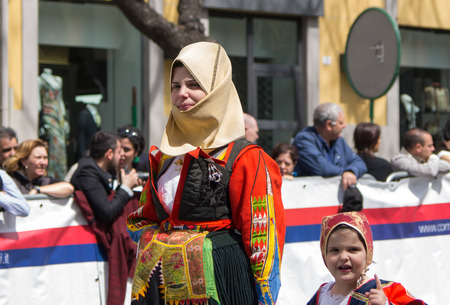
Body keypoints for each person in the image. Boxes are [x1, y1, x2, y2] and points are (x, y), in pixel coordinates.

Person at [126, 42, 286, 305]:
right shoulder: (166, 155)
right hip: (163, 286)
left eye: (193, 85)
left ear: (217, 91)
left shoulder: (246, 158)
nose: (182, 94)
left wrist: (265, 297)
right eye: (175, 86)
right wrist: (157, 242)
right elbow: (144, 217)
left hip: (223, 283)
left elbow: (263, 238)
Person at [70, 130, 141, 305]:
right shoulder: (88, 172)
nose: (121, 156)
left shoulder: (100, 172)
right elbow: (107, 212)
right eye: (119, 152)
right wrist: (125, 188)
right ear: (109, 154)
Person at [307, 211, 427, 305]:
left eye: (353, 249)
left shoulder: (387, 291)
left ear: (368, 253)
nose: (343, 257)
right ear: (324, 255)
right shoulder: (322, 294)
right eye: (335, 250)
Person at [293, 103, 367, 190]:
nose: (345, 126)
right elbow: (324, 170)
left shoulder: (339, 141)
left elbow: (360, 163)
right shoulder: (304, 139)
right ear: (329, 125)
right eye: (341, 123)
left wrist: (351, 171)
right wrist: (345, 172)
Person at [3, 139, 74, 197]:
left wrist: (38, 190)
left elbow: (69, 188)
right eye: (38, 157)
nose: (43, 163)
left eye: (45, 158)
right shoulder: (9, 180)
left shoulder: (47, 182)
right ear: (23, 161)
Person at [38, 68, 69, 180]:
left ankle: (60, 173)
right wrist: (40, 122)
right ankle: (52, 173)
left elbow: (60, 100)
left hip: (58, 114)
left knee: (61, 144)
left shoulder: (58, 80)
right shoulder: (40, 80)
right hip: (48, 114)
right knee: (53, 144)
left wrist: (64, 119)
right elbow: (38, 102)